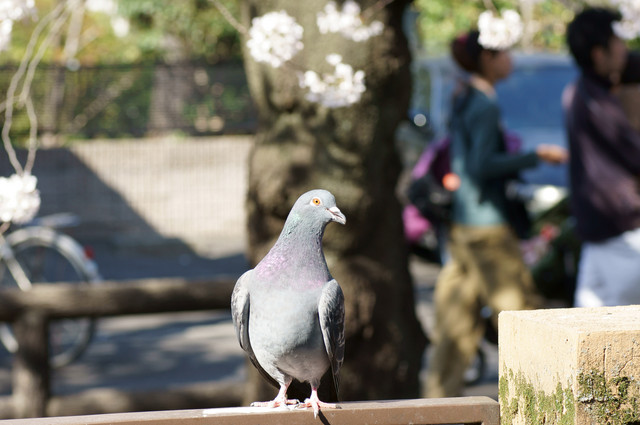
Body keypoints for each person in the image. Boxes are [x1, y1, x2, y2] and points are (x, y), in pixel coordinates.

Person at [424, 30, 568, 398]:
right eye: (504, 52)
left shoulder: (464, 95)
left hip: (464, 225)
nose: (510, 59)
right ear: (487, 58)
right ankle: (543, 401)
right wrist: (536, 156)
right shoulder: (483, 104)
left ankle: (433, 408)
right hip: (486, 228)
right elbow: (481, 165)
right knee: (524, 318)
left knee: (455, 328)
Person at [564, 7, 640, 308]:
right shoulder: (599, 104)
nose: (624, 48)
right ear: (598, 54)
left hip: (599, 232)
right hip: (621, 233)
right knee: (623, 328)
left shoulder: (580, 92)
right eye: (617, 41)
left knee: (586, 325)